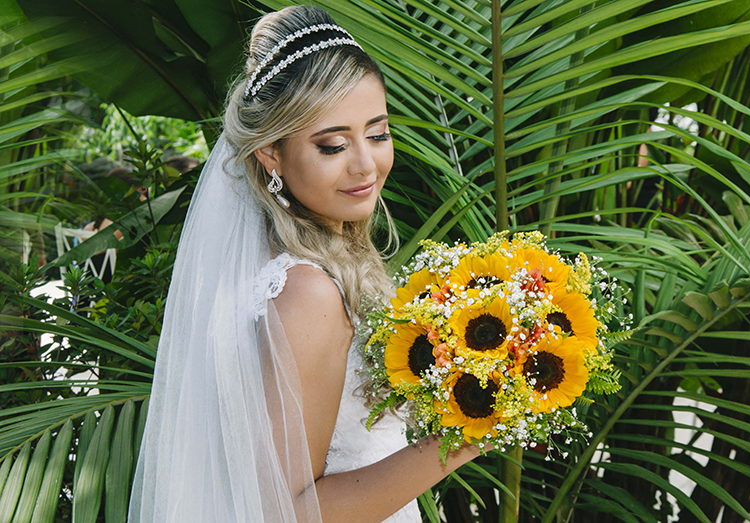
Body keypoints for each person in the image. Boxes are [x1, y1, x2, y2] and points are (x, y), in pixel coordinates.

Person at [127, 6, 487, 523]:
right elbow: (288, 511)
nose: (366, 163)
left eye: (379, 134)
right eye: (333, 144)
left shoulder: (303, 266)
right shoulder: (309, 292)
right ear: (271, 154)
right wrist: (472, 430)